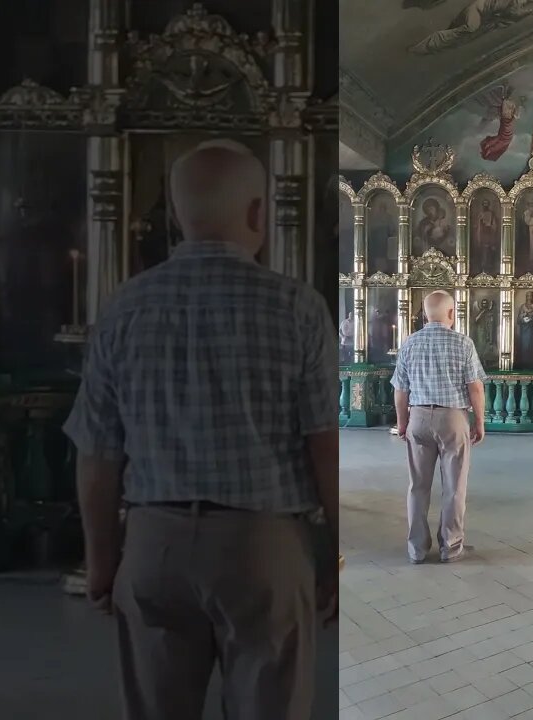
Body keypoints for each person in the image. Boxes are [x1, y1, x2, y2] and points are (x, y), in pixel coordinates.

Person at [64, 140, 338, 720]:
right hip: (262, 547)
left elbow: (96, 452)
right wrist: (336, 555)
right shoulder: (297, 307)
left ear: (175, 214)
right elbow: (324, 445)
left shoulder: (124, 306)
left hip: (152, 543)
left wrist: (101, 559)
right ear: (258, 212)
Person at [391, 290, 488, 564]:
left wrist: (402, 423)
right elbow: (476, 388)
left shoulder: (409, 343)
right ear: (451, 314)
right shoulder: (463, 343)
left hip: (419, 417)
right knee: (454, 487)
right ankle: (451, 547)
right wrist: (479, 421)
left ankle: (417, 549)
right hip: (453, 418)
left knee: (417, 486)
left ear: (425, 313)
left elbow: (400, 390)